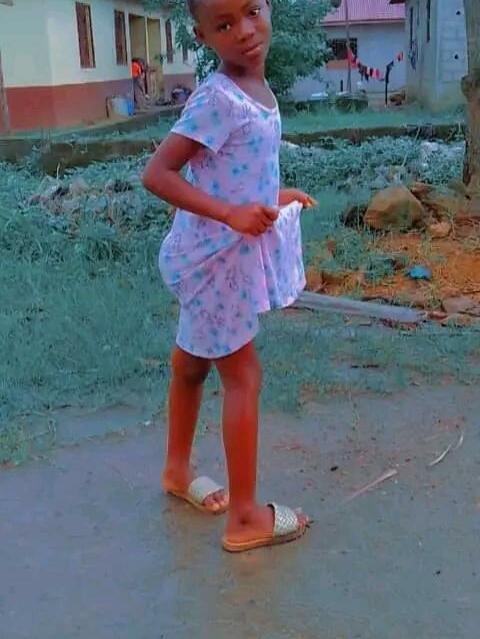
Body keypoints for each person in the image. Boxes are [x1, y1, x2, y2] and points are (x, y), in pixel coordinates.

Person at [142, 0, 315, 553]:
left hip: (218, 254)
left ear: (268, 7)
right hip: (215, 262)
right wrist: (230, 215)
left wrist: (272, 197)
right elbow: (157, 174)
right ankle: (244, 518)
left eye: (251, 11)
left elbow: (236, 171)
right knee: (243, 376)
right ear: (202, 36)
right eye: (224, 25)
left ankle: (176, 470)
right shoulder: (218, 98)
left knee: (192, 364)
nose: (244, 31)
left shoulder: (255, 90)